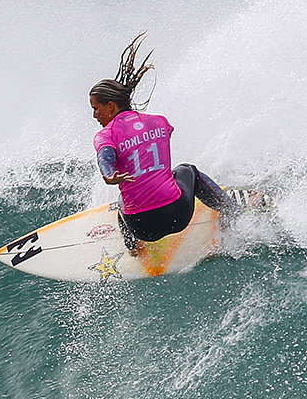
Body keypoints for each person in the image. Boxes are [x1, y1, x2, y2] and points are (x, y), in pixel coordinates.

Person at [89, 34, 233, 253]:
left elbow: (105, 157)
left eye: (96, 108)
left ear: (110, 106)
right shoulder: (160, 122)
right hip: (178, 215)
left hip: (142, 228)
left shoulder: (106, 135)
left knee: (122, 199)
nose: (94, 115)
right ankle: (231, 210)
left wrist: (110, 175)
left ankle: (132, 248)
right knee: (186, 170)